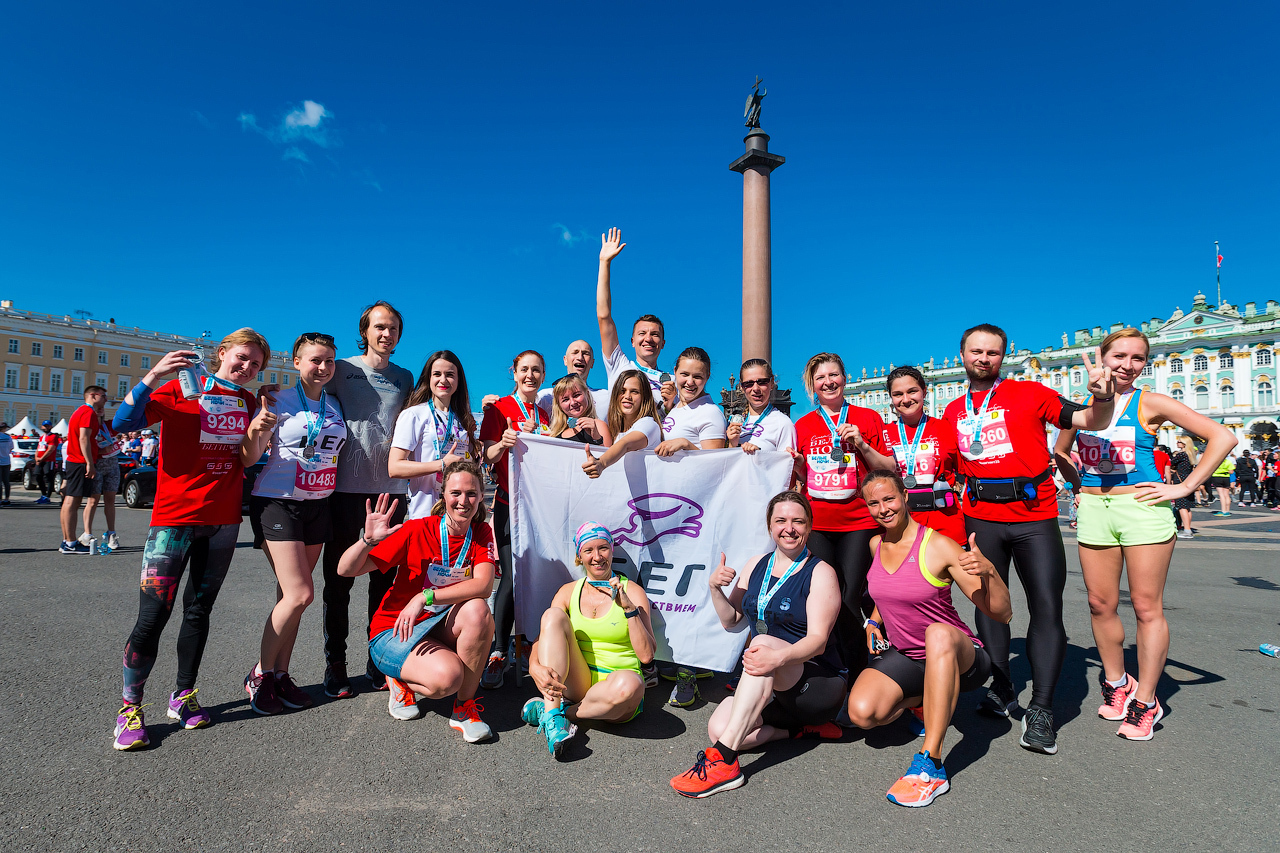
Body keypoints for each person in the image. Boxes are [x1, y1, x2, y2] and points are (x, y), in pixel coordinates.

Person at [942, 323, 1117, 755]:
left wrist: (1102, 394)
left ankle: (1041, 708)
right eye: (976, 351)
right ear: (962, 353)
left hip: (1034, 518)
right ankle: (1002, 687)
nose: (984, 358)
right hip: (981, 518)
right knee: (987, 603)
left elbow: (1088, 419)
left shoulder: (1030, 393)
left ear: (1004, 356)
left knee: (1045, 606)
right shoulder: (952, 410)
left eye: (993, 352)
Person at [1054, 328, 1236, 740]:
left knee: (1145, 606)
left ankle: (1147, 700)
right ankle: (1117, 683)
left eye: (1137, 358)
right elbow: (1060, 451)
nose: (1127, 364)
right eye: (1119, 355)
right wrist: (1077, 485)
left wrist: (1183, 488)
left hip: (1143, 509)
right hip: (1096, 510)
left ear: (1144, 365)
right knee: (1100, 604)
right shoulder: (1079, 405)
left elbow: (1222, 437)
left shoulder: (1151, 401)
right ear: (1102, 357)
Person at [108, 330, 271, 750]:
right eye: (242, 358)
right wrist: (153, 374)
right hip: (173, 519)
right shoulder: (183, 387)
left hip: (222, 520)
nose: (247, 368)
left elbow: (247, 456)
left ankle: (183, 695)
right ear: (221, 353)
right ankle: (130, 708)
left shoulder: (249, 402)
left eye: (256, 364)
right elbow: (122, 423)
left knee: (198, 612)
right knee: (153, 616)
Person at [846, 471, 1011, 807]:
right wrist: (873, 623)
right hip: (910, 657)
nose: (883, 508)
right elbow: (886, 591)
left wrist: (990, 571)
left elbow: (1002, 613)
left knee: (936, 634)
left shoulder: (938, 546)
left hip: (961, 657)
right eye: (874, 503)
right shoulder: (876, 544)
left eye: (889, 498)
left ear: (905, 497)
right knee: (861, 714)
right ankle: (925, 701)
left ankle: (931, 763)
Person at [670, 491, 844, 798]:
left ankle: (724, 761)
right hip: (770, 683)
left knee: (762, 643)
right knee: (718, 730)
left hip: (815, 683)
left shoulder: (821, 572)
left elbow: (818, 642)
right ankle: (794, 731)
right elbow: (731, 621)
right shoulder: (755, 565)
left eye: (798, 521)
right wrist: (714, 589)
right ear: (769, 527)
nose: (789, 528)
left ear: (810, 526)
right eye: (781, 521)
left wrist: (778, 659)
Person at [336, 464, 496, 742]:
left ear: (482, 496)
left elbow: (483, 585)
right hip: (397, 629)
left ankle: (464, 709)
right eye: (455, 492)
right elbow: (345, 570)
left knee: (479, 611)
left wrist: (425, 596)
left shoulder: (480, 533)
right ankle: (397, 677)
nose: (463, 501)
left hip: (438, 624)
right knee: (448, 679)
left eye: (471, 493)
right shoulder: (417, 530)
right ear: (442, 494)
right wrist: (367, 540)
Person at [243, 333, 347, 715]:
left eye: (329, 361)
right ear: (296, 361)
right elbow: (250, 456)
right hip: (277, 503)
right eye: (315, 360)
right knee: (301, 593)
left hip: (318, 504)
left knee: (290, 599)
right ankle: (259, 674)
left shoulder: (335, 404)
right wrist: (257, 428)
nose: (322, 367)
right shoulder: (275, 399)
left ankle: (281, 675)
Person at [320, 301, 414, 699]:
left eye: (392, 328)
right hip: (345, 491)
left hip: (391, 491)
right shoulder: (342, 369)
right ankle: (335, 664)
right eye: (379, 327)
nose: (386, 334)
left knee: (384, 582)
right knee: (338, 580)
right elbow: (309, 398)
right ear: (366, 330)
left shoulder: (405, 377)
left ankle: (377, 661)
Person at [794, 353, 896, 679]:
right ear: (813, 385)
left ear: (844, 377)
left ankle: (858, 671)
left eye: (834, 375)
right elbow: (801, 476)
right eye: (821, 377)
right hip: (819, 523)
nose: (828, 382)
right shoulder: (804, 425)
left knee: (851, 594)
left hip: (858, 522)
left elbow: (889, 469)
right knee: (825, 593)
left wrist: (862, 445)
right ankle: (831, 663)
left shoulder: (867, 418)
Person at [521, 522, 655, 757]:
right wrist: (534, 666)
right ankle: (555, 717)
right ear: (579, 556)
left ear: (612, 550)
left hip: (617, 691)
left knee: (631, 685)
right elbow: (543, 638)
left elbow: (646, 656)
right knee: (552, 615)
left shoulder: (632, 591)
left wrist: (629, 609)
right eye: (588, 551)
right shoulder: (568, 591)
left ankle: (556, 714)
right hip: (577, 681)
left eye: (603, 548)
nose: (597, 557)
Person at [652, 345, 728, 704]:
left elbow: (718, 464)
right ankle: (674, 658)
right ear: (675, 373)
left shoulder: (710, 411)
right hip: (670, 509)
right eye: (685, 374)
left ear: (707, 378)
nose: (691, 381)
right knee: (671, 589)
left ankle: (689, 670)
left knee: (691, 591)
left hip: (695, 513)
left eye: (698, 375)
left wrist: (685, 444)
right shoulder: (675, 408)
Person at [479, 349, 551, 689]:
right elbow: (487, 454)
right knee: (510, 575)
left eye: (537, 370)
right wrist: (504, 443)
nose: (530, 376)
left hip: (540, 508)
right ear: (514, 372)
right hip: (509, 505)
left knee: (535, 575)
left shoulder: (547, 413)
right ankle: (498, 652)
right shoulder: (499, 408)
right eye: (525, 370)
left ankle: (529, 643)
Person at [389, 350, 479, 520]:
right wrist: (441, 465)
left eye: (450, 374)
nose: (443, 380)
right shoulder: (414, 415)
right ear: (428, 378)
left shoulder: (463, 420)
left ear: (459, 380)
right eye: (437, 374)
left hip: (460, 514)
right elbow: (394, 467)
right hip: (425, 514)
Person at [881, 366, 965, 547]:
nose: (906, 399)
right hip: (902, 528)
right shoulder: (883, 434)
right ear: (891, 398)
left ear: (924, 392)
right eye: (898, 394)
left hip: (946, 525)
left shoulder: (946, 428)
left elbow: (964, 469)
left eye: (912, 391)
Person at [595, 227, 672, 409]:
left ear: (662, 343)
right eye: (642, 333)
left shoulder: (672, 382)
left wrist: (671, 404)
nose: (648, 339)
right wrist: (604, 263)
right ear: (632, 341)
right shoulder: (619, 366)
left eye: (655, 334)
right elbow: (604, 316)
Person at [581, 369, 665, 478]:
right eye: (622, 391)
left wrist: (601, 463)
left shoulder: (649, 424)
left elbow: (626, 444)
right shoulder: (616, 432)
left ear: (644, 397)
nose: (627, 396)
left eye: (634, 391)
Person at [60, 386, 106, 555]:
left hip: (74, 460)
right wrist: (89, 463)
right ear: (93, 396)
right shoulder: (87, 413)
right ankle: (70, 543)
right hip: (79, 461)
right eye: (103, 396)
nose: (105, 400)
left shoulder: (81, 411)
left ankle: (67, 540)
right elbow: (84, 438)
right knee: (73, 501)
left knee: (69, 502)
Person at [726, 359, 797, 456]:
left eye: (762, 382)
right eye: (748, 383)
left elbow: (788, 468)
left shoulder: (783, 423)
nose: (755, 388)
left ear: (772, 383)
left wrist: (760, 456)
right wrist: (732, 444)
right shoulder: (736, 422)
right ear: (742, 387)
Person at [81, 391, 123, 550]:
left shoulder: (109, 426)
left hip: (112, 465)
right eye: (97, 408)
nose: (100, 410)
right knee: (93, 501)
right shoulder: (90, 427)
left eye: (101, 409)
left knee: (110, 500)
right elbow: (85, 444)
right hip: (97, 465)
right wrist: (100, 452)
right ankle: (87, 533)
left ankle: (111, 533)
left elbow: (123, 421)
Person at [536, 340, 613, 416]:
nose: (580, 357)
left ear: (592, 363)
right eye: (575, 352)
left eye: (585, 353)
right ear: (565, 360)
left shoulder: (606, 397)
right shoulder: (546, 397)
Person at [547, 373, 612, 446]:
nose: (573, 402)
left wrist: (597, 438)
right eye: (565, 399)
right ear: (559, 405)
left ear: (587, 394)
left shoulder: (598, 425)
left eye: (577, 395)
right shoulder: (554, 434)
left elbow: (608, 456)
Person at [1169, 439, 1198, 538]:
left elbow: (1171, 462)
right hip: (1188, 479)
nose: (1177, 442)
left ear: (1184, 444)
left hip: (1180, 480)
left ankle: (1187, 530)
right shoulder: (1190, 454)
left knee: (1181, 506)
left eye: (1179, 441)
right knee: (1187, 507)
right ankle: (1188, 527)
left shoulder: (1181, 454)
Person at [34, 419, 60, 504]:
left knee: (48, 476)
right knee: (38, 475)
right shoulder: (42, 437)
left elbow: (50, 449)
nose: (46, 427)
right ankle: (43, 494)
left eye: (48, 426)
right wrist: (37, 458)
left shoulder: (53, 436)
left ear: (51, 427)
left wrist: (42, 458)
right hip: (40, 460)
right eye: (44, 426)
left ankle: (47, 496)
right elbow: (38, 449)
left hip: (49, 460)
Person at [0, 426, 12, 506]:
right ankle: (7, 498)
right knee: (6, 481)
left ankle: (0, 499)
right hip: (6, 461)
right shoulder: (8, 437)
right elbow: (11, 448)